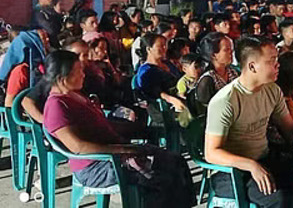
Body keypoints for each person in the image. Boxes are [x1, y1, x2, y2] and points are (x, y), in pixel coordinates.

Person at [43, 50, 196, 207]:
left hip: (114, 153)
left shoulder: (75, 95)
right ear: (62, 79)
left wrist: (139, 130)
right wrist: (122, 149)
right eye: (78, 72)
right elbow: (78, 147)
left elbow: (103, 125)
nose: (83, 74)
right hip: (96, 166)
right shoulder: (56, 106)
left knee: (176, 162)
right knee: (161, 177)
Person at [205, 37, 293, 208]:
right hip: (232, 171)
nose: (278, 65)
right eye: (272, 61)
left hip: (264, 159)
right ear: (252, 66)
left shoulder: (272, 90)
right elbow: (211, 153)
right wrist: (251, 165)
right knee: (281, 198)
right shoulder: (226, 101)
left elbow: (291, 130)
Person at [134, 33, 186, 112]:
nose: (165, 48)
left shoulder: (167, 63)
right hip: (164, 109)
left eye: (165, 45)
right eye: (161, 46)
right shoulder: (146, 71)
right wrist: (171, 99)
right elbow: (152, 92)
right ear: (149, 49)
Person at [194, 32, 239, 114]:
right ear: (214, 55)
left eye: (231, 49)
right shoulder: (207, 81)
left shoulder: (233, 72)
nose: (231, 52)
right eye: (226, 50)